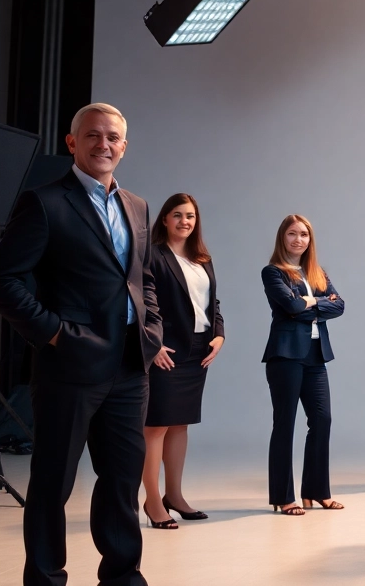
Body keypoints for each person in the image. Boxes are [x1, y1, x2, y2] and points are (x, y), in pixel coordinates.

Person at [0, 102, 163, 586]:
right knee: (52, 484)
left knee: (123, 483)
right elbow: (1, 282)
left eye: (113, 138)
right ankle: (45, 579)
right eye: (93, 136)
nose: (103, 144)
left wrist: (152, 330)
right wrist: (57, 332)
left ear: (123, 148)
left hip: (130, 366)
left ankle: (123, 577)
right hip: (69, 367)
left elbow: (142, 277)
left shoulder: (138, 206)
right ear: (72, 142)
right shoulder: (43, 202)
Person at [142, 193, 226, 529]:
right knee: (156, 427)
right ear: (164, 219)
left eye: (190, 216)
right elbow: (140, 300)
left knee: (180, 425)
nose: (184, 222)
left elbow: (212, 303)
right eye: (177, 215)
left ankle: (174, 495)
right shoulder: (151, 255)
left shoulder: (201, 258)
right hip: (165, 350)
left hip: (197, 350)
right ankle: (151, 500)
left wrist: (219, 333)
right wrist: (152, 344)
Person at [261, 215, 345, 515]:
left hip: (315, 355)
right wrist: (315, 303)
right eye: (292, 234)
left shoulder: (317, 272)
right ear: (282, 237)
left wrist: (306, 303)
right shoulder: (273, 272)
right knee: (285, 424)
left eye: (304, 235)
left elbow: (340, 305)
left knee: (322, 420)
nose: (299, 240)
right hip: (285, 356)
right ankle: (283, 497)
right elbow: (291, 305)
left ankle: (316, 491)